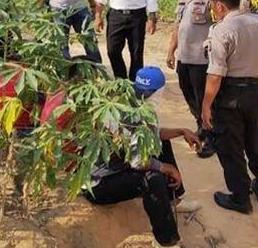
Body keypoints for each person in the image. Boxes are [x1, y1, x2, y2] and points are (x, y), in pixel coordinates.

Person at [82, 66, 202, 248]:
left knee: (163, 145)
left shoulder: (134, 102)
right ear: (157, 94)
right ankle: (166, 241)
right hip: (99, 186)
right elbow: (138, 162)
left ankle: (173, 200)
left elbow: (151, 137)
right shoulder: (134, 116)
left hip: (120, 165)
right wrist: (166, 168)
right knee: (153, 178)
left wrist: (180, 131)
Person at [201, 0, 258, 214]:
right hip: (255, 91)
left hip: (229, 94)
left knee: (230, 146)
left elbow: (215, 74)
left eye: (212, 5)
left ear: (220, 6)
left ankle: (240, 197)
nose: (211, 9)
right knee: (254, 138)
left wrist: (206, 105)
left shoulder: (220, 30)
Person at [166, 0, 215, 158]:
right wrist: (171, 51)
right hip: (184, 59)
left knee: (205, 100)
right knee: (189, 95)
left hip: (201, 60)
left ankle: (213, 137)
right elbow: (178, 28)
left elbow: (221, 23)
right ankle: (201, 126)